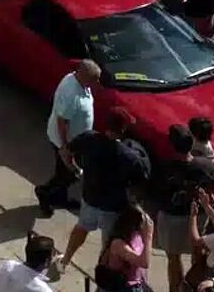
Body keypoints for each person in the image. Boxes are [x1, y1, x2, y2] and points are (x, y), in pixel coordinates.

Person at [62, 109, 153, 272]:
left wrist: (76, 170)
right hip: (113, 208)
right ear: (123, 129)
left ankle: (65, 260)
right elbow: (141, 181)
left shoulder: (89, 138)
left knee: (81, 228)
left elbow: (66, 152)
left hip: (90, 199)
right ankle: (103, 275)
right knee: (110, 245)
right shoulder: (129, 156)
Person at [155, 124, 214, 292]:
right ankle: (195, 286)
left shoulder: (164, 167)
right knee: (198, 255)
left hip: (171, 220)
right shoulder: (206, 166)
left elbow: (153, 193)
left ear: (172, 145)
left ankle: (175, 289)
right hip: (198, 217)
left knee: (173, 257)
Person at [35, 60, 100, 216]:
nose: (97, 83)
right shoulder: (71, 93)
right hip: (67, 142)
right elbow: (62, 121)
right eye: (94, 79)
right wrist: (65, 147)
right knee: (70, 174)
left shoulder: (79, 81)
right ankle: (45, 193)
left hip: (76, 141)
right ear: (83, 76)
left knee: (63, 171)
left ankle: (60, 198)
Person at [93, 205, 154, 292]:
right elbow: (144, 263)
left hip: (137, 284)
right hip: (121, 286)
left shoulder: (138, 237)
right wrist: (148, 236)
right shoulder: (118, 244)